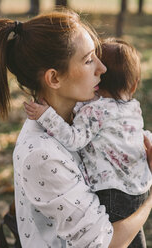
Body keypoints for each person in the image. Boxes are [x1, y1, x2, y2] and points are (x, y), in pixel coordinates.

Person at [0, 10, 152, 248]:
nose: (102, 68)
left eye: (97, 55)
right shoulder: (42, 153)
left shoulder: (83, 116)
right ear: (54, 79)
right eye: (88, 60)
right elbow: (108, 243)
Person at [24, 38, 152, 247]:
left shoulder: (96, 110)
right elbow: (137, 135)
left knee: (120, 239)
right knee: (134, 238)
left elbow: (74, 139)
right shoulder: (132, 107)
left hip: (114, 192)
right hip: (140, 187)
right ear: (135, 83)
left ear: (99, 80)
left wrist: (47, 116)